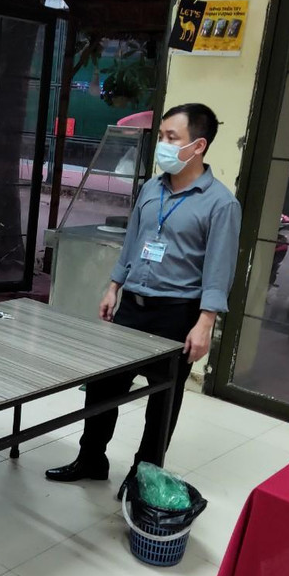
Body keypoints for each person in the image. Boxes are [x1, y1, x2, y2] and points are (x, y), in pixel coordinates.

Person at [45, 103, 242, 495]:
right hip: (133, 306)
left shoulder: (221, 204)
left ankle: (143, 475)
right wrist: (113, 286)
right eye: (162, 136)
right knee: (103, 386)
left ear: (198, 145)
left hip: (177, 313)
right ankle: (91, 458)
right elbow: (133, 241)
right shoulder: (152, 188)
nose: (162, 144)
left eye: (172, 137)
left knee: (162, 402)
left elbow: (219, 269)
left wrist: (205, 322)